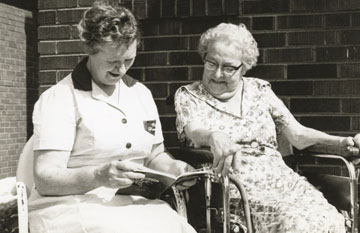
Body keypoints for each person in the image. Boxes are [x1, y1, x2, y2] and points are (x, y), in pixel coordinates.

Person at [174, 22, 360, 233]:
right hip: (234, 187)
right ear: (204, 57)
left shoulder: (259, 90)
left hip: (283, 182)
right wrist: (213, 136)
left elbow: (298, 134)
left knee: (329, 219)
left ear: (243, 67)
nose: (217, 74)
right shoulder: (189, 95)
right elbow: (194, 132)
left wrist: (341, 142)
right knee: (295, 224)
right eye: (211, 63)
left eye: (228, 68)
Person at [28, 1, 196, 233]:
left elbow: (155, 155)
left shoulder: (141, 94)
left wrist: (174, 170)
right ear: (89, 49)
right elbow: (46, 179)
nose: (122, 70)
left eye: (128, 60)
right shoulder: (60, 98)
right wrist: (98, 176)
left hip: (135, 205)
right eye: (112, 62)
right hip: (71, 205)